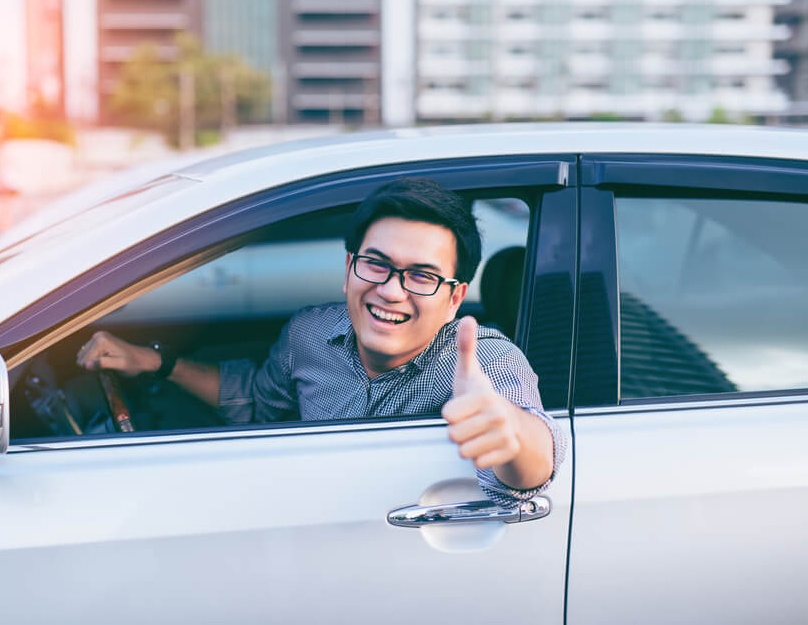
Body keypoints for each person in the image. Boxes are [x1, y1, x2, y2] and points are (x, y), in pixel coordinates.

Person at [77, 178, 566, 503]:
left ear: (455, 298)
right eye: (376, 264)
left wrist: (510, 435)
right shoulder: (309, 333)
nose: (391, 290)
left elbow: (534, 467)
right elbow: (253, 398)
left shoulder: (483, 363)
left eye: (421, 276)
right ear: (349, 267)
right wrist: (156, 362)